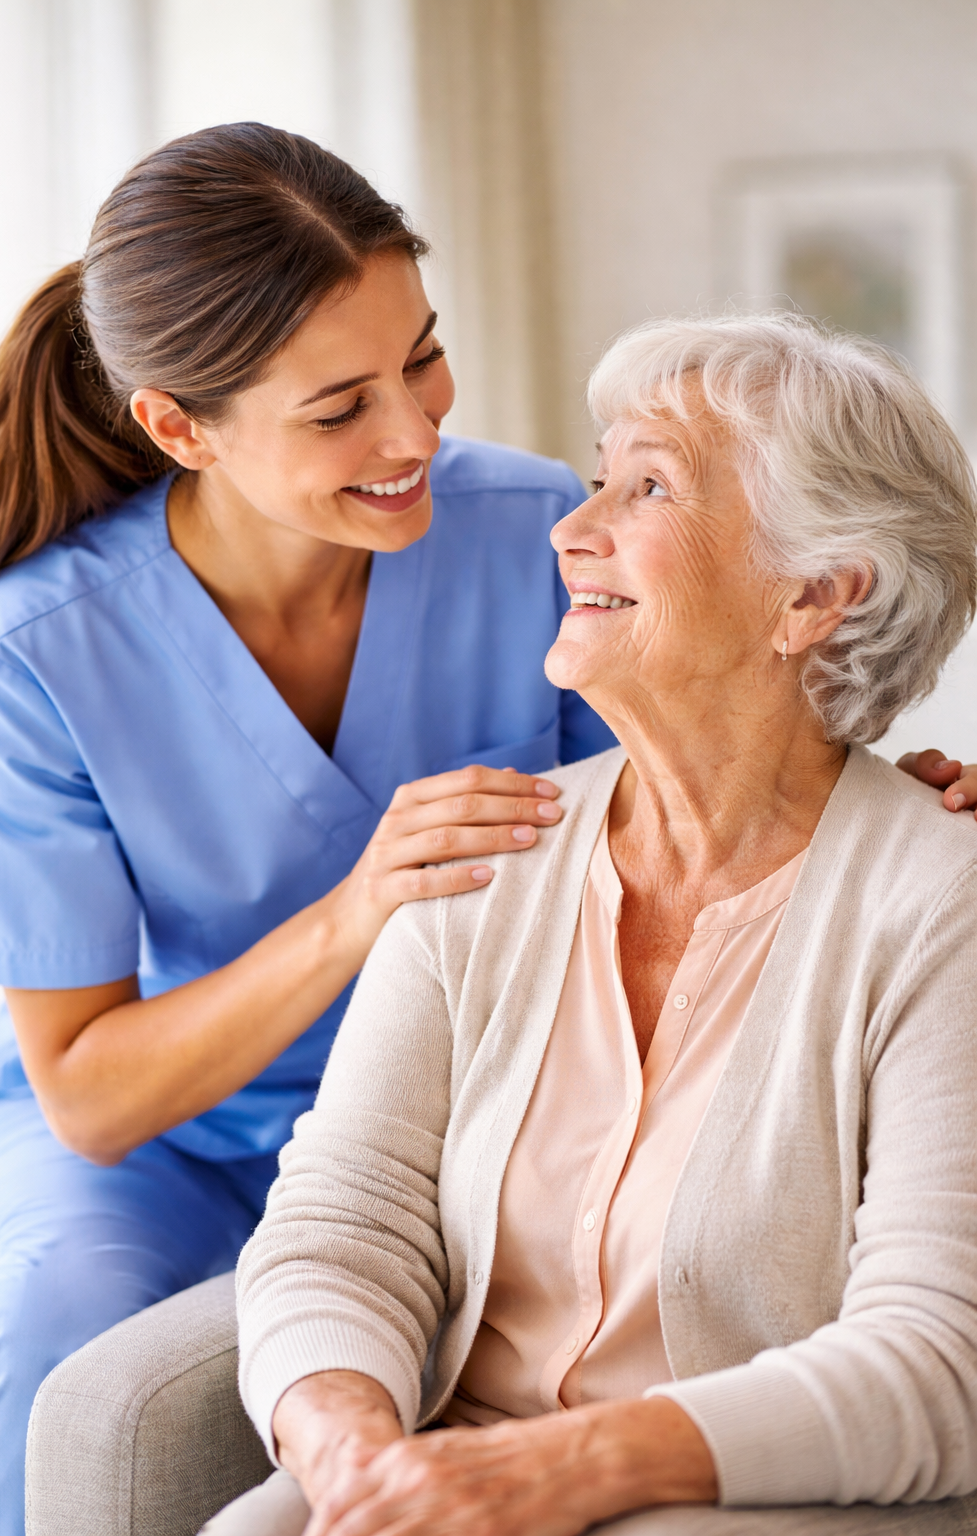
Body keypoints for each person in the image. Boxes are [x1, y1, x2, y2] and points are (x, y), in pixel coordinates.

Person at [0, 124, 614, 1535]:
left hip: (452, 1113)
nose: (414, 433)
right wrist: (355, 910)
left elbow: (687, 815)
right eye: (339, 409)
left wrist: (879, 800)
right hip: (158, 1143)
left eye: (423, 359)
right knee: (51, 1320)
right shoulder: (33, 652)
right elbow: (89, 1095)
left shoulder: (535, 528)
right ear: (179, 428)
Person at [227, 313, 977, 1534]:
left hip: (736, 1498)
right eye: (595, 480)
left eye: (650, 487)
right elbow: (341, 1222)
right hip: (442, 1475)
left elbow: (938, 1357)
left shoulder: (938, 900)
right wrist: (352, 1451)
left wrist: (552, 1471)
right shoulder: (483, 858)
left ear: (813, 596)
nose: (571, 530)